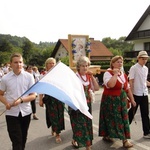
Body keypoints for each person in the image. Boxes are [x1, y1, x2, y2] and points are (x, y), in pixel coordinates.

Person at [0, 53, 37, 150]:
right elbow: (0, 94)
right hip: (11, 113)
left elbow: (33, 95)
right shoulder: (5, 78)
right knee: (16, 140)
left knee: (23, 138)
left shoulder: (29, 77)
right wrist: (6, 103)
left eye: (20, 62)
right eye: (16, 62)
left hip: (26, 112)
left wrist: (21, 100)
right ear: (11, 64)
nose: (18, 64)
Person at [98, 55, 136, 148]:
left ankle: (125, 140)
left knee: (123, 119)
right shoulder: (108, 73)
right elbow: (110, 85)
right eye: (118, 62)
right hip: (110, 100)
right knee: (110, 118)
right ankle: (107, 135)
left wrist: (132, 99)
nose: (120, 63)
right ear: (113, 63)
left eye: (121, 62)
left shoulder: (123, 75)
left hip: (121, 99)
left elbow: (127, 88)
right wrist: (115, 74)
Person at [69, 56, 99, 150]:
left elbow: (97, 88)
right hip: (77, 105)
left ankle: (75, 140)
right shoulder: (75, 77)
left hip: (87, 104)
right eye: (83, 66)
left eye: (86, 66)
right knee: (81, 124)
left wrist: (92, 77)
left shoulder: (89, 77)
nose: (85, 68)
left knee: (86, 124)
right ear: (78, 66)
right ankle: (88, 146)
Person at [39, 57, 65, 143]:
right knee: (53, 116)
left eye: (53, 63)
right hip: (50, 98)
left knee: (60, 115)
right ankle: (57, 134)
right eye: (50, 63)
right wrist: (40, 99)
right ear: (46, 65)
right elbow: (41, 88)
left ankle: (56, 129)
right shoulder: (44, 75)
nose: (52, 64)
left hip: (59, 97)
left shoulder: (59, 74)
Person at [128, 50, 150, 138]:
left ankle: (146, 132)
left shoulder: (146, 68)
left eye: (146, 59)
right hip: (136, 94)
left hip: (144, 93)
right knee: (131, 113)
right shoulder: (134, 68)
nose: (144, 60)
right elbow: (131, 81)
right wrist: (131, 95)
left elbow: (144, 80)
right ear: (138, 58)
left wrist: (148, 83)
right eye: (143, 58)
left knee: (145, 113)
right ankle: (123, 129)